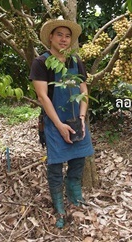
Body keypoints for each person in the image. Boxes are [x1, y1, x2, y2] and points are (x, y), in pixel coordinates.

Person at [29, 18, 94, 228]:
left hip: (77, 120)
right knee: (55, 166)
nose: (64, 39)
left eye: (67, 36)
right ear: (51, 37)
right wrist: (59, 125)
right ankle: (59, 207)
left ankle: (75, 197)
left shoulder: (75, 62)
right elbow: (43, 97)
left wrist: (82, 118)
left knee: (78, 160)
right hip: (54, 121)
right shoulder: (41, 62)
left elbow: (83, 91)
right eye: (59, 35)